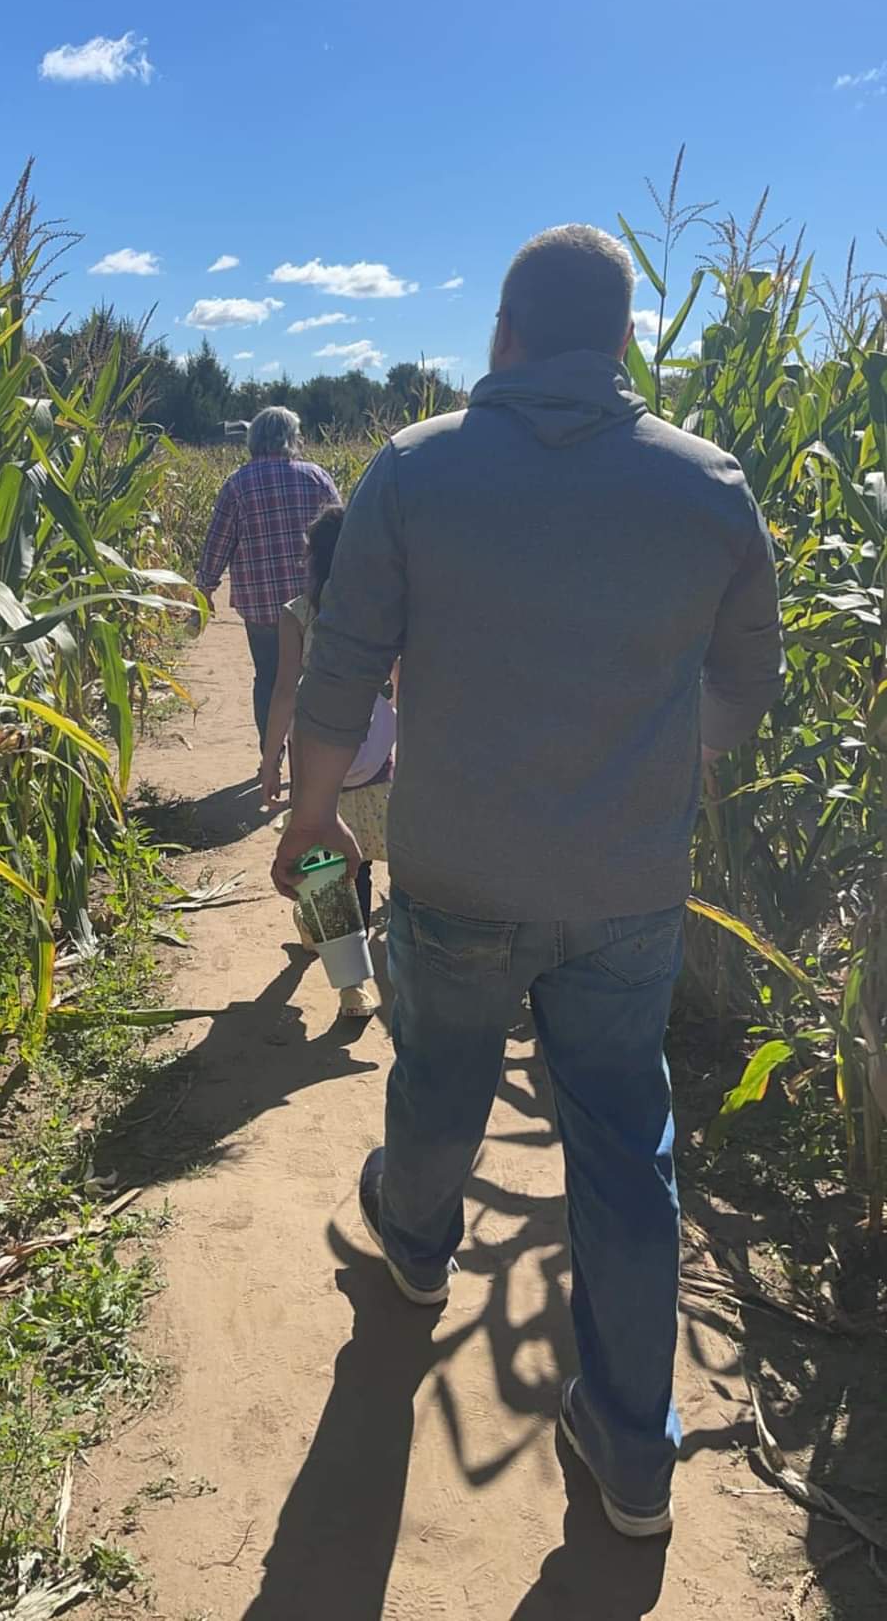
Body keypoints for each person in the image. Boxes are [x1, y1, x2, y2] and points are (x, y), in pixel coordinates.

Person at [273, 225, 783, 1541]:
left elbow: (341, 665)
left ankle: (417, 1240)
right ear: (622, 339)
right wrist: (653, 748)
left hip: (455, 868)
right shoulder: (710, 487)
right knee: (621, 1143)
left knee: (440, 1073)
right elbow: (743, 694)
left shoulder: (416, 470)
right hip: (626, 882)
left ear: (502, 333)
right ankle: (633, 1451)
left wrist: (316, 815)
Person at [261, 504, 394, 1020]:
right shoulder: (382, 610)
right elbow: (402, 684)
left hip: (318, 755)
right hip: (375, 752)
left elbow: (283, 693)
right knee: (373, 859)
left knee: (329, 866)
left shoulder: (297, 614)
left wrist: (271, 760)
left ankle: (350, 984)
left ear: (312, 559)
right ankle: (351, 976)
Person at [195, 407, 340, 750]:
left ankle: (271, 754)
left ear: (253, 440)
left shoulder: (237, 484)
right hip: (313, 599)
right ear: (293, 438)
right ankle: (309, 756)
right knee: (312, 677)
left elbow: (219, 541)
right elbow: (339, 534)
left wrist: (205, 586)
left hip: (261, 605)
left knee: (270, 679)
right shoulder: (316, 477)